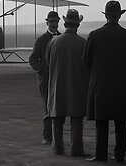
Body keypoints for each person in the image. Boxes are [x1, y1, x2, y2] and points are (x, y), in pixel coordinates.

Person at [83, 0, 126, 163]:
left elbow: (86, 60)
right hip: (123, 85)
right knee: (121, 124)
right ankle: (119, 156)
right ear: (119, 15)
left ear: (106, 15)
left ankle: (101, 156)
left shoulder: (94, 35)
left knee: (101, 124)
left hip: (101, 85)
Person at [45, 9, 89, 156]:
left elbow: (47, 61)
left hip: (57, 85)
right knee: (76, 120)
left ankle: (57, 149)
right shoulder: (83, 43)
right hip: (77, 86)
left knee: (57, 120)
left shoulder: (53, 42)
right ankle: (77, 150)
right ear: (78, 25)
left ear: (65, 23)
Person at [29, 11, 61, 145]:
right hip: (46, 80)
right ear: (47, 22)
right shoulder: (41, 40)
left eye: (55, 21)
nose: (53, 24)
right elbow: (33, 59)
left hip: (60, 79)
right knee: (48, 108)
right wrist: (42, 69)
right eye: (51, 22)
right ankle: (47, 137)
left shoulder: (62, 38)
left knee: (59, 109)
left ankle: (57, 137)